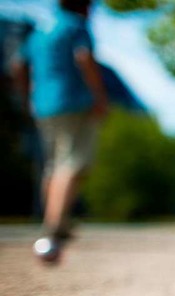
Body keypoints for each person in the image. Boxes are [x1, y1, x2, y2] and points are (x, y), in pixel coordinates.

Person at [12, 0, 108, 263]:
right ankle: (54, 226)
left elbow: (17, 65)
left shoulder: (42, 29)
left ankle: (55, 222)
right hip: (73, 101)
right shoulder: (76, 25)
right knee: (73, 163)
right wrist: (100, 96)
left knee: (54, 164)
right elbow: (84, 57)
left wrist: (27, 96)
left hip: (44, 105)